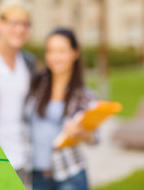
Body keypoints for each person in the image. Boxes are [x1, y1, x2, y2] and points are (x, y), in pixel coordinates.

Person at [25, 28, 97, 190]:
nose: (55, 57)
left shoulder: (84, 95)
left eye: (61, 51)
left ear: (75, 53)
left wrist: (81, 134)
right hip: (37, 175)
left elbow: (95, 138)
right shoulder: (36, 85)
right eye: (50, 51)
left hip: (69, 174)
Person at [0, 0, 35, 185]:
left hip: (22, 157)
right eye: (14, 23)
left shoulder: (28, 62)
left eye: (25, 24)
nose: (20, 29)